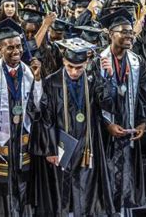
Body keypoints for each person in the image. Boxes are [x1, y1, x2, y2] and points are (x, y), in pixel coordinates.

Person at [31, 40, 114, 216]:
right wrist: (50, 149)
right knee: (61, 193)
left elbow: (108, 105)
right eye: (70, 67)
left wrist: (108, 77)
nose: (74, 72)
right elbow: (46, 118)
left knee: (86, 191)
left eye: (79, 67)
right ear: (63, 61)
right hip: (62, 144)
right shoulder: (52, 82)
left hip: (87, 144)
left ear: (86, 63)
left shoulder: (93, 79)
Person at [0, 19, 43, 216]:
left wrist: (39, 79)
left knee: (23, 183)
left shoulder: (29, 72)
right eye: (10, 47)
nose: (16, 51)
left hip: (23, 137)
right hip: (0, 137)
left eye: (19, 46)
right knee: (1, 188)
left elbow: (38, 106)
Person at [97, 8, 146, 215]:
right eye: (124, 32)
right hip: (105, 135)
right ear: (111, 34)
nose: (129, 36)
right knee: (106, 180)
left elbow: (144, 97)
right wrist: (107, 124)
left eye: (131, 32)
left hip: (128, 131)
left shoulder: (138, 62)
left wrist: (142, 123)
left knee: (126, 181)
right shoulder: (98, 61)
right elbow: (94, 100)